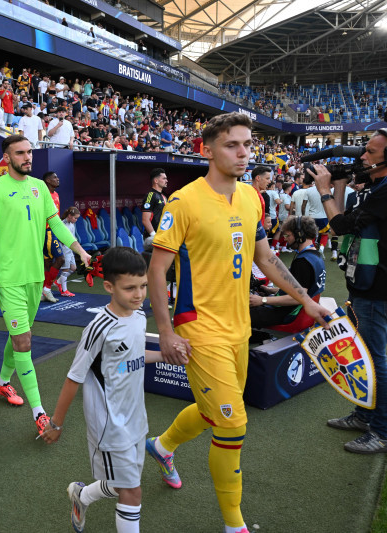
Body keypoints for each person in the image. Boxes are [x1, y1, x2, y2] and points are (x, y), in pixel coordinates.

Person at [145, 112, 328, 533]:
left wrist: (306, 300)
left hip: (239, 325)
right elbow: (157, 271)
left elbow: (267, 258)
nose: (244, 153)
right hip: (197, 326)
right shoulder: (183, 201)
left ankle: (162, 445)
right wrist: (167, 331)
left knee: (214, 411)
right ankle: (234, 524)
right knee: (232, 423)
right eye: (232, 145)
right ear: (207, 150)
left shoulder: (251, 197)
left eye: (247, 144)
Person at [41, 247, 168, 533]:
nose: (139, 294)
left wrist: (164, 355)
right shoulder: (99, 327)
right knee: (132, 490)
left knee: (125, 483)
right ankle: (82, 495)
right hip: (110, 425)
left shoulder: (138, 316)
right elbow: (74, 377)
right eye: (130, 288)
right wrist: (56, 423)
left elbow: (132, 356)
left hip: (136, 417)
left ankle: (81, 495)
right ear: (109, 287)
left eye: (143, 286)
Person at [0, 135, 91, 436]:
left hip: (35, 277)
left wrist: (80, 250)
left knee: (21, 334)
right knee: (24, 342)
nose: (27, 157)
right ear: (6, 157)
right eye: (20, 153)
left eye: (29, 152)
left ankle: (2, 382)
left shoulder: (40, 187)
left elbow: (55, 225)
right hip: (8, 279)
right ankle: (39, 413)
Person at [312, 128, 387, 454]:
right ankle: (364, 415)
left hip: (376, 288)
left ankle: (381, 430)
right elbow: (342, 221)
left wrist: (325, 190)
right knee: (365, 355)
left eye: (370, 152)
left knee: (376, 359)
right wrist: (340, 185)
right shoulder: (376, 187)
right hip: (363, 284)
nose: (363, 157)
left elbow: (339, 226)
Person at [249, 216, 325, 328]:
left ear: (299, 235)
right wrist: (270, 290)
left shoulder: (302, 262)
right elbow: (303, 289)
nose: (285, 239)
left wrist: (263, 300)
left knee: (239, 314)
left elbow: (296, 298)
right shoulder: (316, 257)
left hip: (287, 314)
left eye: (287, 235)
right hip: (296, 311)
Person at [41, 171, 66, 302]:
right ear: (48, 180)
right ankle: (47, 288)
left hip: (53, 231)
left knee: (48, 262)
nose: (58, 179)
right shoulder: (43, 195)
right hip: (46, 231)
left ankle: (44, 290)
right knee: (60, 259)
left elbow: (56, 216)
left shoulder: (56, 194)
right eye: (55, 177)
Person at [141, 168, 168, 248]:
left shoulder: (163, 196)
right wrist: (154, 236)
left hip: (163, 237)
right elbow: (145, 220)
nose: (166, 181)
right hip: (154, 239)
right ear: (156, 181)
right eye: (164, 178)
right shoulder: (150, 195)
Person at [57, 207, 80, 297]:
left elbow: (72, 237)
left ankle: (58, 282)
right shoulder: (62, 224)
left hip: (70, 249)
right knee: (65, 270)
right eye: (75, 218)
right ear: (69, 216)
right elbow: (60, 238)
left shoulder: (72, 224)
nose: (76, 220)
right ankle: (64, 290)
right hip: (64, 250)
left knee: (73, 268)